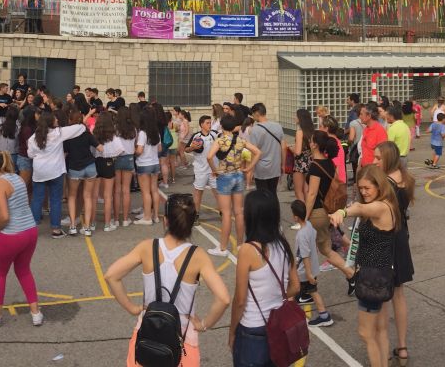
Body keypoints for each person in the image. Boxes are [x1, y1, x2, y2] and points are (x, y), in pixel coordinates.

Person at [104, 193, 231, 367]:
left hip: (147, 334)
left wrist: (132, 308)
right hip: (182, 337)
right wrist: (203, 324)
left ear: (166, 221)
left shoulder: (148, 247)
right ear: (192, 223)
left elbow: (111, 275)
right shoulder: (197, 256)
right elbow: (224, 299)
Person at [330, 164, 400, 367]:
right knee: (380, 330)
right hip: (381, 275)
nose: (364, 192)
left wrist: (342, 212)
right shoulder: (387, 205)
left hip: (372, 279)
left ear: (379, 186)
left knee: (366, 333)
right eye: (360, 188)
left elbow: (360, 208)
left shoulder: (380, 207)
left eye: (367, 188)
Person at [229, 189, 300, 366]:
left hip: (253, 328)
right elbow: (296, 286)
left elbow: (240, 300)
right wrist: (274, 297)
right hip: (278, 325)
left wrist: (232, 331)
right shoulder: (283, 244)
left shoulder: (248, 250)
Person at [0, 151, 43, 328]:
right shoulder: (18, 178)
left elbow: (4, 216)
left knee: (0, 273)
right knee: (24, 270)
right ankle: (35, 313)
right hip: (30, 231)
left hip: (12, 234)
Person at [374, 142, 415, 366]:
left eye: (378, 158)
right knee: (399, 294)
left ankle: (384, 348)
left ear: (388, 158)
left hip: (384, 239)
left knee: (382, 295)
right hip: (400, 238)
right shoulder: (406, 179)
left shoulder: (384, 184)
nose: (374, 161)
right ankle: (402, 346)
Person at [305, 131, 356, 291]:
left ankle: (352, 275)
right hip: (330, 210)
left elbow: (312, 194)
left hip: (318, 213)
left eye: (311, 140)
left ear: (315, 145)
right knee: (337, 237)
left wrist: (304, 217)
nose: (309, 143)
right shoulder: (329, 163)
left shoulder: (315, 167)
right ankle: (358, 261)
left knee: (325, 249)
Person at [206, 114, 261, 257]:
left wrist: (214, 170)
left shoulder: (220, 140)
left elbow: (209, 156)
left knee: (226, 213)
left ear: (222, 126)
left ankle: (223, 248)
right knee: (239, 212)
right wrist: (249, 168)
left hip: (225, 176)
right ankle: (241, 244)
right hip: (238, 176)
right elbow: (257, 152)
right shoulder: (240, 140)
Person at [28, 112, 86, 238]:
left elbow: (30, 154)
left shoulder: (33, 137)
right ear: (50, 122)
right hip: (55, 171)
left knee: (37, 199)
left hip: (39, 171)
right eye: (55, 119)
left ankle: (31, 229)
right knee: (55, 200)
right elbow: (81, 128)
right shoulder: (58, 133)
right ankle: (56, 229)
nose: (57, 120)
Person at [291, 199, 333, 326]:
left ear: (296, 217)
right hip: (312, 268)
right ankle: (324, 315)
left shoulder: (301, 235)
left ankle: (323, 316)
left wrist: (308, 274)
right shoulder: (309, 225)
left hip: (304, 272)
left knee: (292, 291)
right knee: (312, 292)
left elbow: (305, 255)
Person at [63, 110, 102, 236]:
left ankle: (73, 226)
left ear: (70, 120)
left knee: (72, 196)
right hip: (90, 166)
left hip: (75, 167)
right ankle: (87, 227)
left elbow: (64, 153)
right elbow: (100, 148)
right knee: (88, 197)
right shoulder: (86, 133)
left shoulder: (68, 135)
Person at [93, 111, 125, 232]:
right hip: (108, 163)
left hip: (96, 162)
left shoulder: (94, 133)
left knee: (94, 196)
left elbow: (91, 149)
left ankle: (92, 223)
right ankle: (107, 224)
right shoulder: (113, 136)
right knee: (108, 196)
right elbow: (121, 150)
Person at [249, 103, 286, 197]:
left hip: (261, 168)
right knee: (273, 193)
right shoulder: (278, 126)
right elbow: (283, 147)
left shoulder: (254, 130)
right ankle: (274, 207)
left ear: (257, 113)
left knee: (262, 196)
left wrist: (251, 169)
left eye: (253, 114)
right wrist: (283, 164)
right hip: (275, 166)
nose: (252, 117)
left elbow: (253, 152)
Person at [186, 115, 218, 223]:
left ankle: (223, 212)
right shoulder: (196, 136)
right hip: (200, 170)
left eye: (210, 123)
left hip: (213, 169)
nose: (210, 125)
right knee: (198, 192)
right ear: (201, 125)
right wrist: (193, 147)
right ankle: (196, 214)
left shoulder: (214, 135)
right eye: (207, 123)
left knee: (218, 192)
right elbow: (186, 149)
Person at [134, 107, 162, 225]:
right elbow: (159, 149)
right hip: (155, 163)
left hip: (144, 164)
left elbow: (139, 151)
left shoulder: (142, 133)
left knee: (145, 192)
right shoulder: (156, 132)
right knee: (154, 190)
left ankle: (147, 217)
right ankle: (155, 215)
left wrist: (134, 151)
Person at [113, 107, 137, 226]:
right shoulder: (133, 129)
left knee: (117, 190)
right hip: (129, 158)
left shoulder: (115, 128)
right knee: (126, 190)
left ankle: (116, 219)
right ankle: (126, 219)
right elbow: (135, 144)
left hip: (117, 158)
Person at [292, 108, 314, 205]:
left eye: (296, 116)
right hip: (310, 161)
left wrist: (289, 148)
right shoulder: (312, 132)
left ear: (300, 118)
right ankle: (308, 209)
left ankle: (302, 210)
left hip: (300, 163)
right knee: (306, 189)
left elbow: (297, 152)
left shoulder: (299, 132)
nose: (294, 118)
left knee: (298, 191)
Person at [385, 105, 410, 169]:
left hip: (396, 158)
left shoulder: (392, 128)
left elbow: (389, 146)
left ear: (391, 116)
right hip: (405, 157)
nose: (386, 117)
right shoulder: (405, 126)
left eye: (387, 115)